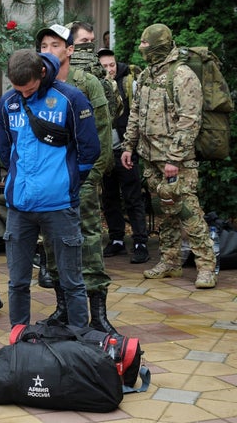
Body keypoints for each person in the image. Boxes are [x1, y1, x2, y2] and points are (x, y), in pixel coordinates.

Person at [0, 49, 100, 330]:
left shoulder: (70, 98)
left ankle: (79, 340)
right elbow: (6, 151)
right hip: (20, 207)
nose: (24, 95)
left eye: (29, 89)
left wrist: (65, 183)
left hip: (60, 206)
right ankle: (18, 338)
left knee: (71, 281)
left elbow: (90, 150)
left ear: (41, 74)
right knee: (17, 282)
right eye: (19, 90)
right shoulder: (8, 102)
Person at [38, 23, 120, 335]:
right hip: (50, 184)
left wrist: (90, 178)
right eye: (43, 46)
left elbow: (102, 138)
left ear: (70, 50)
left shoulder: (86, 84)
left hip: (82, 181)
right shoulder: (39, 86)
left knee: (89, 241)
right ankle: (63, 309)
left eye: (55, 45)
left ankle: (98, 313)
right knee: (53, 245)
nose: (48, 51)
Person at [121, 23, 217, 289]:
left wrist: (174, 159)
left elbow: (190, 120)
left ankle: (207, 266)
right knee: (165, 211)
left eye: (146, 47)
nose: (142, 51)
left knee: (188, 210)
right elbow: (136, 113)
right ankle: (170, 261)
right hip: (150, 157)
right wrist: (128, 146)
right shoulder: (147, 74)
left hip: (176, 161)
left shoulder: (182, 74)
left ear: (159, 47)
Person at [97, 47, 150, 263]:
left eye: (112, 65)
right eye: (105, 66)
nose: (110, 69)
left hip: (125, 151)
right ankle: (116, 239)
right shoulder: (95, 85)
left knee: (132, 197)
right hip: (104, 152)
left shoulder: (128, 82)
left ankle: (140, 242)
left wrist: (131, 147)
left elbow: (136, 115)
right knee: (109, 198)